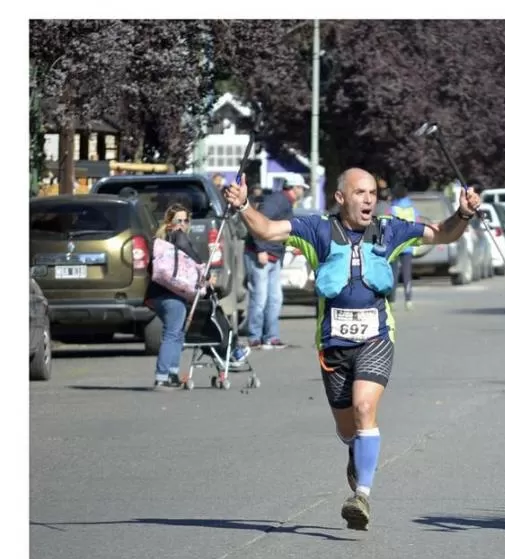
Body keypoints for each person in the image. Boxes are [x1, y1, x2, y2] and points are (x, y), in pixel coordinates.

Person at [224, 168, 481, 531]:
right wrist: (244, 205)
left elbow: (442, 234)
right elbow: (266, 229)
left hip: (376, 337)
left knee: (365, 408)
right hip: (333, 344)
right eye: (360, 192)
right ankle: (355, 450)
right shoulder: (315, 229)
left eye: (373, 192)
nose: (369, 199)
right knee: (348, 427)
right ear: (341, 197)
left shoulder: (390, 229)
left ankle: (361, 495)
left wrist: (464, 214)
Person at [146, 204, 249, 390]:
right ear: (169, 223)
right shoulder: (177, 237)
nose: (183, 224)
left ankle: (172, 374)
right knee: (172, 333)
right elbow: (191, 254)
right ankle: (162, 376)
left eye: (186, 220)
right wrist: (205, 271)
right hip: (169, 295)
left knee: (177, 334)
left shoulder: (159, 242)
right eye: (179, 220)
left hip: (158, 295)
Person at [244, 173, 306, 349]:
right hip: (261, 255)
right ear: (295, 188)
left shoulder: (284, 202)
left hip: (274, 255)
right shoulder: (277, 201)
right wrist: (261, 249)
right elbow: (258, 223)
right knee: (260, 298)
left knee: (274, 298)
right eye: (302, 188)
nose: (302, 192)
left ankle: (271, 336)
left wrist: (293, 244)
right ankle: (255, 337)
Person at [389, 184, 417, 310]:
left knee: (393, 274)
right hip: (408, 245)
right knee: (407, 274)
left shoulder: (392, 208)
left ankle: (392, 301)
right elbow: (416, 225)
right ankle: (408, 300)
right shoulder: (411, 208)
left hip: (395, 245)